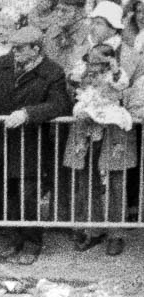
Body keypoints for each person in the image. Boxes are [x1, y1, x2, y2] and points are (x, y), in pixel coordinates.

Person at [0, 24, 70, 265]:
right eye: (14, 48)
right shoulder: (1, 67)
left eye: (21, 49)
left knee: (29, 195)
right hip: (2, 142)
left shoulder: (53, 72)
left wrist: (27, 113)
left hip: (32, 144)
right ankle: (14, 239)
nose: (15, 53)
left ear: (36, 49)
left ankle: (33, 243)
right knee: (6, 193)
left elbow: (60, 104)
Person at [63, 0, 140, 255]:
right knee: (87, 175)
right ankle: (92, 227)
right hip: (87, 119)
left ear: (112, 26)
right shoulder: (85, 50)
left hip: (115, 121)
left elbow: (126, 85)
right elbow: (73, 79)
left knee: (116, 176)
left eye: (99, 23)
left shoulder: (127, 53)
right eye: (93, 22)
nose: (94, 27)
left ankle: (116, 231)